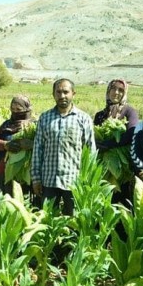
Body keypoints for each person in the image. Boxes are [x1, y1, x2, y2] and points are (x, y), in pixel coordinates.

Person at [31, 79, 96, 215]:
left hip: (74, 181)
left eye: (66, 92)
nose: (62, 96)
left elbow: (90, 151)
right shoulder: (45, 118)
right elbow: (38, 149)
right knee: (47, 220)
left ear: (73, 93)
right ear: (53, 94)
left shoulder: (83, 118)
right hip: (49, 180)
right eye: (58, 92)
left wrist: (88, 180)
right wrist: (36, 178)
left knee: (73, 221)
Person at [93, 78, 139, 205]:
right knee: (103, 195)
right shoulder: (100, 115)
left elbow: (130, 134)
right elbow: (95, 134)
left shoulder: (130, 112)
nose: (116, 92)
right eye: (113, 89)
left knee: (121, 198)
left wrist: (110, 145)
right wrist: (98, 144)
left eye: (120, 90)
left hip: (122, 165)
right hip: (102, 162)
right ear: (108, 91)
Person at [0, 95, 35, 199]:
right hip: (3, 170)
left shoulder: (34, 126)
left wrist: (30, 144)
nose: (15, 112)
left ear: (27, 109)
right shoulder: (7, 124)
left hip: (26, 173)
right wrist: (5, 145)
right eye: (13, 109)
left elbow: (41, 145)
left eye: (19, 109)